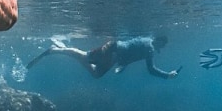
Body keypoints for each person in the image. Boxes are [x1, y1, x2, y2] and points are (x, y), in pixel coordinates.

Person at [27, 36, 181, 79]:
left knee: (96, 74)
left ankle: (64, 49)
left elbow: (131, 50)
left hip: (114, 53)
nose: (161, 49)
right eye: (162, 45)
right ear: (159, 42)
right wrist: (167, 75)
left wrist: (122, 65)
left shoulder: (148, 41)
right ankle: (55, 50)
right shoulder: (150, 48)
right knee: (86, 57)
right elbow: (151, 70)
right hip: (111, 50)